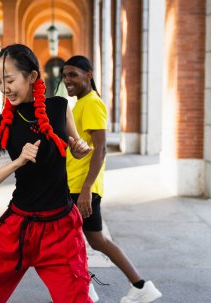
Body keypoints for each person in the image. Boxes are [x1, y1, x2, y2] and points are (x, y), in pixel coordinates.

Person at [0, 44, 95, 303]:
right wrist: (17, 162)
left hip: (60, 230)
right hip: (17, 228)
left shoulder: (59, 107)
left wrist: (80, 149)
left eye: (9, 80)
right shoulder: (1, 125)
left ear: (32, 77)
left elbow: (76, 147)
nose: (4, 88)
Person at [60, 55, 162, 303]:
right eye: (64, 75)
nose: (68, 80)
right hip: (74, 185)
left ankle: (139, 286)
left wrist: (86, 189)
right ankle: (106, 288)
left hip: (82, 187)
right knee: (87, 239)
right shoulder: (80, 104)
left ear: (88, 75)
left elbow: (101, 149)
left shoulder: (92, 104)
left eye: (73, 74)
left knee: (82, 239)